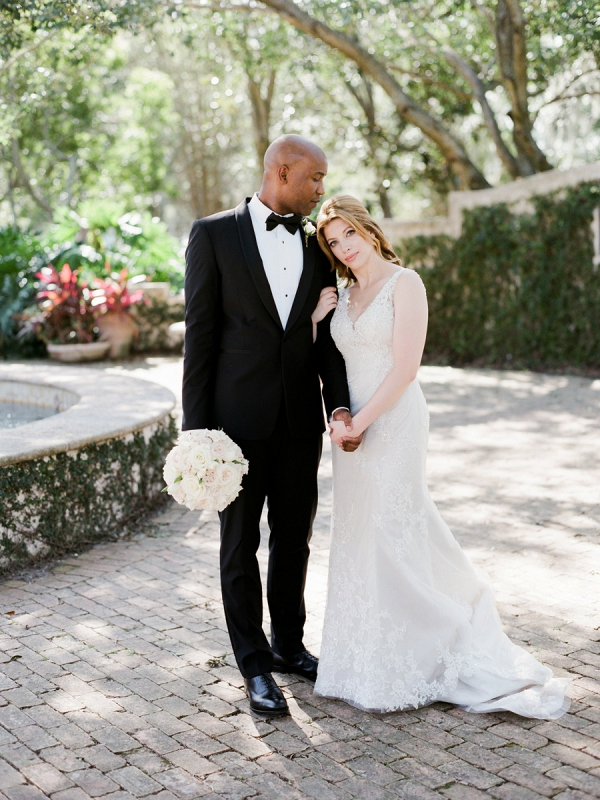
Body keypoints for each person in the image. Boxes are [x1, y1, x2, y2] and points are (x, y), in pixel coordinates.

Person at [310, 194, 570, 718]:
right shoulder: (341, 293)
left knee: (390, 526)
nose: (344, 248)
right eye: (333, 243)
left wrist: (363, 420)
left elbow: (406, 369)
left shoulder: (406, 285)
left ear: (369, 230)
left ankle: (435, 640)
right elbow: (328, 359)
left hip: (395, 418)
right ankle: (364, 660)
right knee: (360, 532)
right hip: (350, 428)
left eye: (349, 236)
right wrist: (319, 326)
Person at [182, 136, 358, 716]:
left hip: (299, 423)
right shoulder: (212, 235)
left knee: (295, 538)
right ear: (283, 171)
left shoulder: (316, 245)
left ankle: (287, 645)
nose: (321, 189)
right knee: (239, 546)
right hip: (233, 428)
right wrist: (196, 434)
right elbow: (200, 343)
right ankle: (254, 665)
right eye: (315, 178)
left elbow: (327, 341)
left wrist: (338, 407)